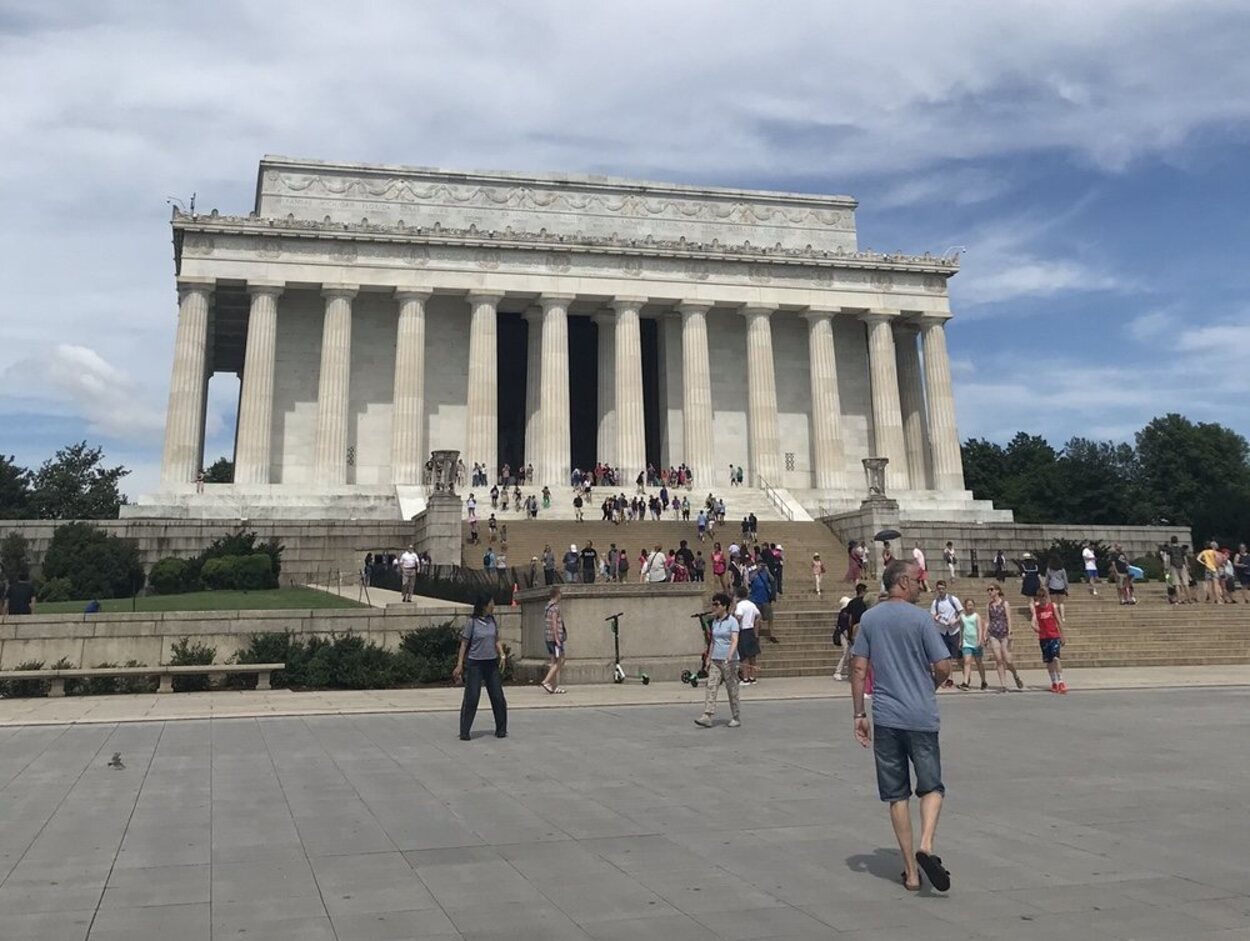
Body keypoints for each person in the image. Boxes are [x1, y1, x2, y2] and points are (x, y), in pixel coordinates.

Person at [850, 559, 953, 893]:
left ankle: (910, 872)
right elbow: (943, 665)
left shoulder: (869, 618)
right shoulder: (922, 619)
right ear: (904, 582)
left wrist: (858, 714)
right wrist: (930, 686)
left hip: (886, 716)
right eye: (919, 581)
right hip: (921, 715)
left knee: (896, 795)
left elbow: (858, 669)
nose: (922, 586)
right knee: (932, 786)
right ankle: (926, 846)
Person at [453, 595, 508, 740]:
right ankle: (465, 731)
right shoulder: (472, 622)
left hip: (491, 663)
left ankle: (501, 729)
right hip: (475, 664)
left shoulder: (492, 621)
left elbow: (496, 640)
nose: (493, 605)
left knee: (498, 697)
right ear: (484, 605)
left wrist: (502, 655)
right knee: (472, 697)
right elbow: (464, 644)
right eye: (491, 603)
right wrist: (460, 665)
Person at [694, 592, 741, 728]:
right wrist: (709, 658)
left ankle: (736, 716)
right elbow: (713, 641)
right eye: (713, 604)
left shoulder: (732, 622)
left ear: (725, 606)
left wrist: (730, 656)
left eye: (717, 604)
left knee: (732, 689)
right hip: (716, 660)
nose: (714, 606)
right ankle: (707, 715)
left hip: (729, 661)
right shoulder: (715, 622)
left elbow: (734, 640)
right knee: (711, 687)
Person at [985, 584, 1024, 691]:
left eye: (991, 589)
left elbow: (1009, 618)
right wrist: (985, 634)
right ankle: (1003, 684)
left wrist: (1010, 632)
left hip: (1004, 633)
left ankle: (1015, 675)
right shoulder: (988, 605)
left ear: (997, 591)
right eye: (988, 590)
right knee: (998, 658)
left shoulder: (1005, 603)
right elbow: (987, 621)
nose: (990, 592)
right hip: (993, 633)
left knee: (1008, 659)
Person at [1031, 587, 1067, 693]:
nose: (1042, 601)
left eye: (1044, 598)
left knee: (1056, 658)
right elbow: (1033, 622)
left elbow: (1059, 621)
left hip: (1054, 636)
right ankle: (1054, 682)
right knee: (1049, 661)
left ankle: (1061, 681)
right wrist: (1036, 628)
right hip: (1044, 638)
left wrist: (1062, 635)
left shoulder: (1052, 607)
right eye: (1040, 598)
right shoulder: (1037, 609)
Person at [929, 581, 962, 687]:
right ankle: (949, 679)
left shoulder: (953, 600)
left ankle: (966, 675)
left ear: (946, 589)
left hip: (954, 630)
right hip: (942, 630)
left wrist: (955, 621)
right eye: (939, 589)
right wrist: (938, 619)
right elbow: (933, 615)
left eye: (942, 588)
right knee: (946, 656)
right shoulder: (936, 602)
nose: (941, 591)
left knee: (956, 656)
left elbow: (961, 612)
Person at [956, 598, 987, 691]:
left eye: (972, 605)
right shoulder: (962, 617)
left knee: (978, 662)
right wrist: (961, 640)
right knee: (967, 661)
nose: (970, 607)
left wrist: (980, 639)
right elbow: (961, 629)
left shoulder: (976, 616)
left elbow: (979, 628)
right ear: (965, 606)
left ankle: (983, 680)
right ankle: (965, 682)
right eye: (968, 605)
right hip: (967, 642)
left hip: (976, 642)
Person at [733, 584, 762, 684]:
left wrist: (734, 627)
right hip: (751, 630)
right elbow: (758, 615)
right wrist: (755, 626)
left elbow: (739, 617)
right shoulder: (751, 604)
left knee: (744, 656)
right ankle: (753, 677)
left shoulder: (740, 606)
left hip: (743, 631)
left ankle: (745, 678)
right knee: (752, 655)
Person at [541, 587, 567, 694]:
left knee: (553, 662)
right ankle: (546, 681)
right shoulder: (555, 608)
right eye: (560, 594)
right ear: (557, 595)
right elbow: (554, 623)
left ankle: (554, 686)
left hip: (548, 637)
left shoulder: (547, 607)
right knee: (561, 659)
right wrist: (557, 638)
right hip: (555, 638)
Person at [748, 562, 777, 643]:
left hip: (766, 599)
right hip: (756, 599)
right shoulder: (753, 572)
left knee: (770, 617)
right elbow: (750, 579)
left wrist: (767, 571)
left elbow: (772, 579)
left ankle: (772, 635)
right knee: (757, 619)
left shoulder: (766, 573)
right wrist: (757, 570)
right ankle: (756, 636)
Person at [1166, 537, 1192, 604]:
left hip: (1173, 566)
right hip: (1182, 566)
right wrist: (1187, 566)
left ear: (1171, 542)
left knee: (1177, 584)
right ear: (1177, 541)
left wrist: (1167, 568)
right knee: (1186, 583)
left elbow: (1168, 559)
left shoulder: (1169, 549)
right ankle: (1189, 599)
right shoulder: (1181, 549)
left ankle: (1179, 599)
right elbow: (1185, 558)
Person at [1044, 555, 1070, 621]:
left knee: (1054, 603)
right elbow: (1065, 579)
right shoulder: (1062, 569)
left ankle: (1055, 616)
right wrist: (1066, 587)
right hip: (1061, 586)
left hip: (1052, 586)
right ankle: (1063, 617)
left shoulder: (1049, 569)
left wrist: (1045, 585)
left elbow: (1047, 579)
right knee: (1061, 603)